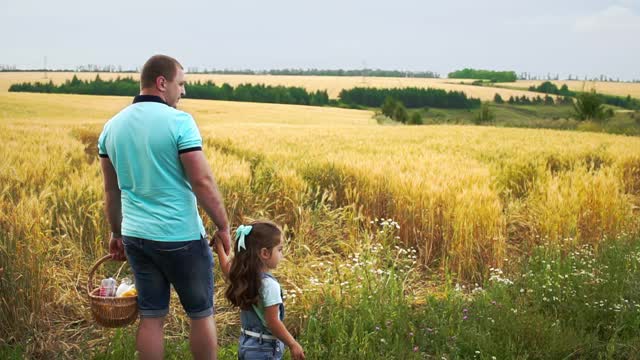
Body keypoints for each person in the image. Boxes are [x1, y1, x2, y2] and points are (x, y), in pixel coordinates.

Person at [98, 54, 231, 360]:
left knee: (151, 316)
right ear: (162, 83)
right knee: (200, 313)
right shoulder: (179, 122)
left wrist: (116, 232)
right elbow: (202, 182)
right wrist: (223, 225)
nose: (182, 91)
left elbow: (110, 189)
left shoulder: (111, 127)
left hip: (136, 236)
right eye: (180, 84)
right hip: (180, 236)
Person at [215, 221, 305, 360]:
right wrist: (292, 344)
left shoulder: (244, 276)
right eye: (279, 249)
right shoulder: (270, 285)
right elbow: (272, 322)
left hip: (246, 345)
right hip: (264, 349)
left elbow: (226, 267)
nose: (282, 255)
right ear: (264, 253)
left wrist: (219, 245)